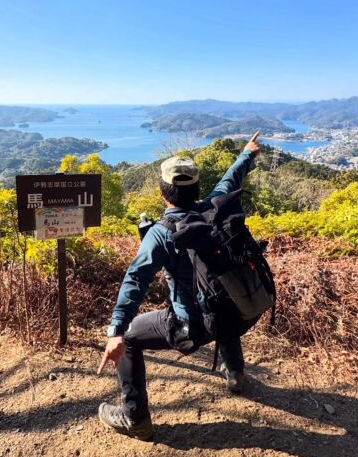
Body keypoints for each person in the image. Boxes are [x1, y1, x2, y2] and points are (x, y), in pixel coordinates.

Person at [97, 132, 262, 440]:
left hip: (193, 327)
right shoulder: (214, 207)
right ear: (198, 188)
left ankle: (135, 418)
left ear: (163, 192)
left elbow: (135, 280)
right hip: (242, 313)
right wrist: (247, 153)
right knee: (220, 299)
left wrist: (116, 331)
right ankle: (236, 375)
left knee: (132, 338)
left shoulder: (161, 234)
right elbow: (230, 179)